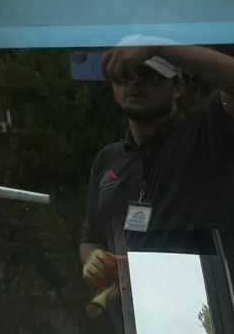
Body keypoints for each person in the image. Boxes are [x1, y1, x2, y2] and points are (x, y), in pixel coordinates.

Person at [79, 42, 234, 263]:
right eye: (125, 73)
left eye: (148, 73)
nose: (135, 81)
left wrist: (159, 48)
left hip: (203, 296)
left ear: (178, 86)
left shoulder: (205, 135)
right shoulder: (108, 159)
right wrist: (97, 264)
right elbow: (93, 237)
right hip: (131, 297)